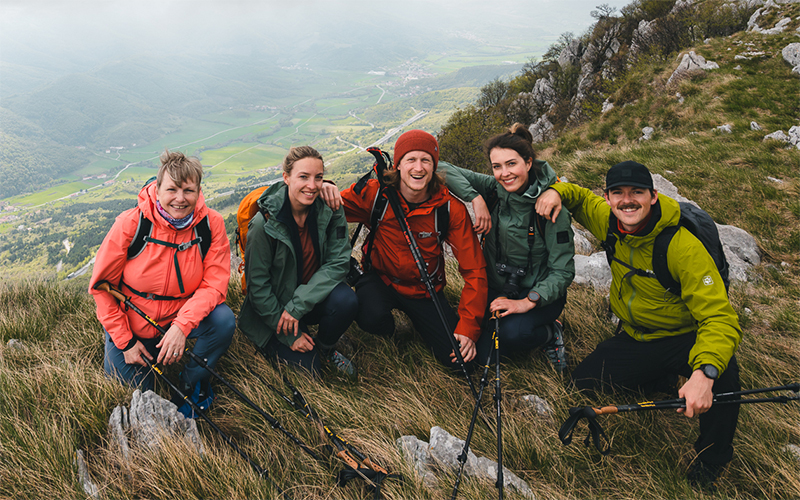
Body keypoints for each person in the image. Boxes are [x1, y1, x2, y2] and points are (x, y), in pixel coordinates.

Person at [535, 160, 741, 490]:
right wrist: (555, 191)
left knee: (724, 378)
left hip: (683, 338)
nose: (627, 200)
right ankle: (658, 378)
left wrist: (704, 373)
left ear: (653, 196)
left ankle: (711, 460)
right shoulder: (608, 220)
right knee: (583, 384)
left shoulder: (682, 247)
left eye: (637, 193)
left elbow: (719, 317)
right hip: (634, 336)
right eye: (618, 193)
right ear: (608, 197)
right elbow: (578, 197)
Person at [322, 130, 488, 369]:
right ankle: (392, 330)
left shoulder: (449, 209)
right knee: (370, 316)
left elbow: (475, 271)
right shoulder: (376, 194)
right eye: (411, 159)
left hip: (424, 290)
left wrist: (469, 327)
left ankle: (423, 325)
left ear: (434, 166)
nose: (418, 168)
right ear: (398, 165)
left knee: (462, 363)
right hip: (381, 280)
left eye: (426, 160)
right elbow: (329, 206)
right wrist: (324, 186)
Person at [89, 150, 235, 417]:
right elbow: (101, 287)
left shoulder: (210, 225)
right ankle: (131, 355)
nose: (180, 199)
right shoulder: (132, 224)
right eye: (172, 190)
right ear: (157, 189)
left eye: (188, 191)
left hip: (182, 316)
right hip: (134, 324)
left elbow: (215, 284)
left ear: (198, 191)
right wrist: (125, 343)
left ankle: (191, 380)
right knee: (139, 395)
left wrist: (181, 326)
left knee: (223, 320)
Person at [438, 124, 575, 371]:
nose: (504, 174)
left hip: (536, 295)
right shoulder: (494, 190)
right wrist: (475, 198)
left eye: (512, 164)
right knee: (476, 358)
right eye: (497, 166)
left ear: (529, 163)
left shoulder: (550, 208)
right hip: (496, 289)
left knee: (511, 335)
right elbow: (440, 166)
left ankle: (550, 334)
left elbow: (562, 272)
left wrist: (527, 301)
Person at [238, 146, 358, 376]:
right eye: (303, 177)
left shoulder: (330, 209)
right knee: (310, 373)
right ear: (286, 178)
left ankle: (325, 348)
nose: (312, 186)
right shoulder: (263, 225)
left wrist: (298, 305)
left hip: (305, 300)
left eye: (318, 177)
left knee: (347, 301)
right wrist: (288, 334)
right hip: (275, 309)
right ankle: (273, 343)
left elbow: (338, 263)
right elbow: (258, 288)